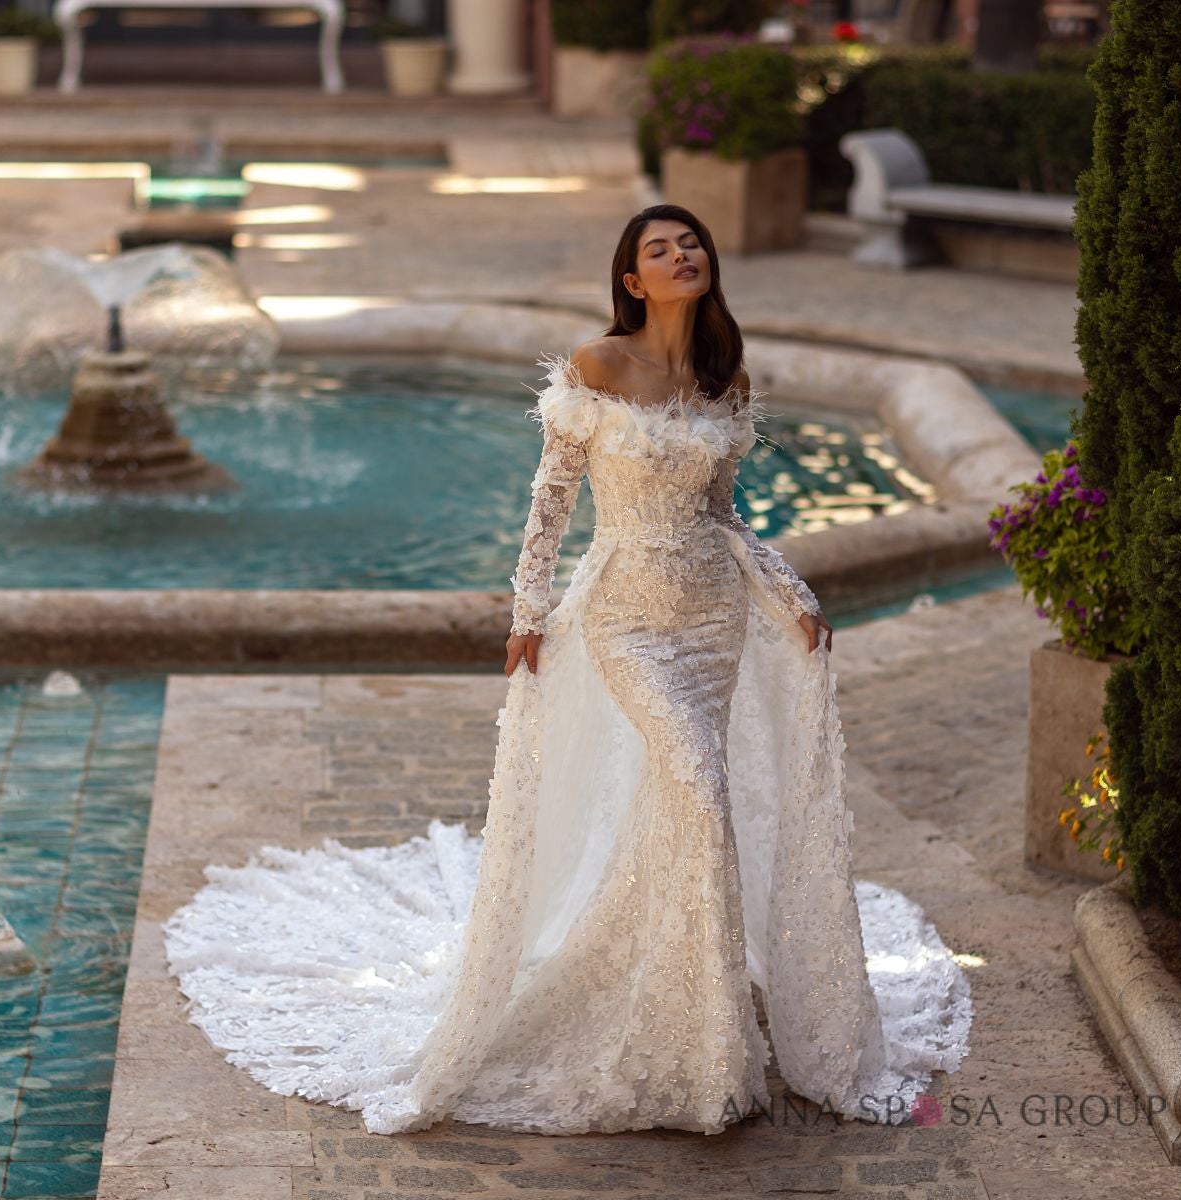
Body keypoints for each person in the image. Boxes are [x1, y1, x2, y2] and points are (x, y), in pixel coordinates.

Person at [161, 204, 974, 1136]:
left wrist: (788, 593)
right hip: (626, 617)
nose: (682, 256)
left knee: (678, 809)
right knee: (702, 792)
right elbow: (550, 504)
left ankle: (687, 997)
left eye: (691, 244)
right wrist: (526, 616)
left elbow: (726, 514)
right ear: (631, 279)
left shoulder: (725, 377)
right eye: (659, 250)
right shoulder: (596, 367)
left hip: (713, 618)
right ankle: (688, 1040)